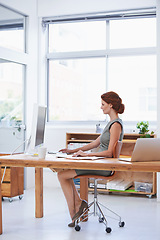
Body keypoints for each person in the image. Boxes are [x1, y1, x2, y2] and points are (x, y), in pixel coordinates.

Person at [57, 91, 125, 227]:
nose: (101, 107)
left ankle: (76, 207)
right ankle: (78, 205)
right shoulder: (110, 123)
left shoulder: (116, 125)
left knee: (62, 175)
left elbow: (110, 152)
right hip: (99, 162)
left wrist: (87, 156)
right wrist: (72, 150)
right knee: (64, 173)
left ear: (110, 105)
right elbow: (94, 144)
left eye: (103, 104)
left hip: (104, 166)